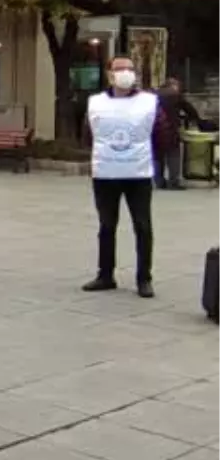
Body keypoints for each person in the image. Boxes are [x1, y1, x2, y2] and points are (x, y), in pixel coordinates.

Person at [82, 56, 158, 298]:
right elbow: (87, 134)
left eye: (129, 68)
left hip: (138, 174)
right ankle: (105, 275)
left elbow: (162, 131)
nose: (125, 72)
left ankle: (144, 278)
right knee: (106, 226)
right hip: (106, 173)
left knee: (143, 226)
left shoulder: (149, 102)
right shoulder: (95, 103)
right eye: (119, 69)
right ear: (109, 74)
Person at [153, 77, 198, 190]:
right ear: (175, 85)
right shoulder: (175, 95)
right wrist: (194, 120)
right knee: (173, 155)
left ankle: (159, 181)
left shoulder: (154, 95)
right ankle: (173, 182)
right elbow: (190, 110)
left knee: (157, 156)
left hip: (154, 130)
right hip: (170, 129)